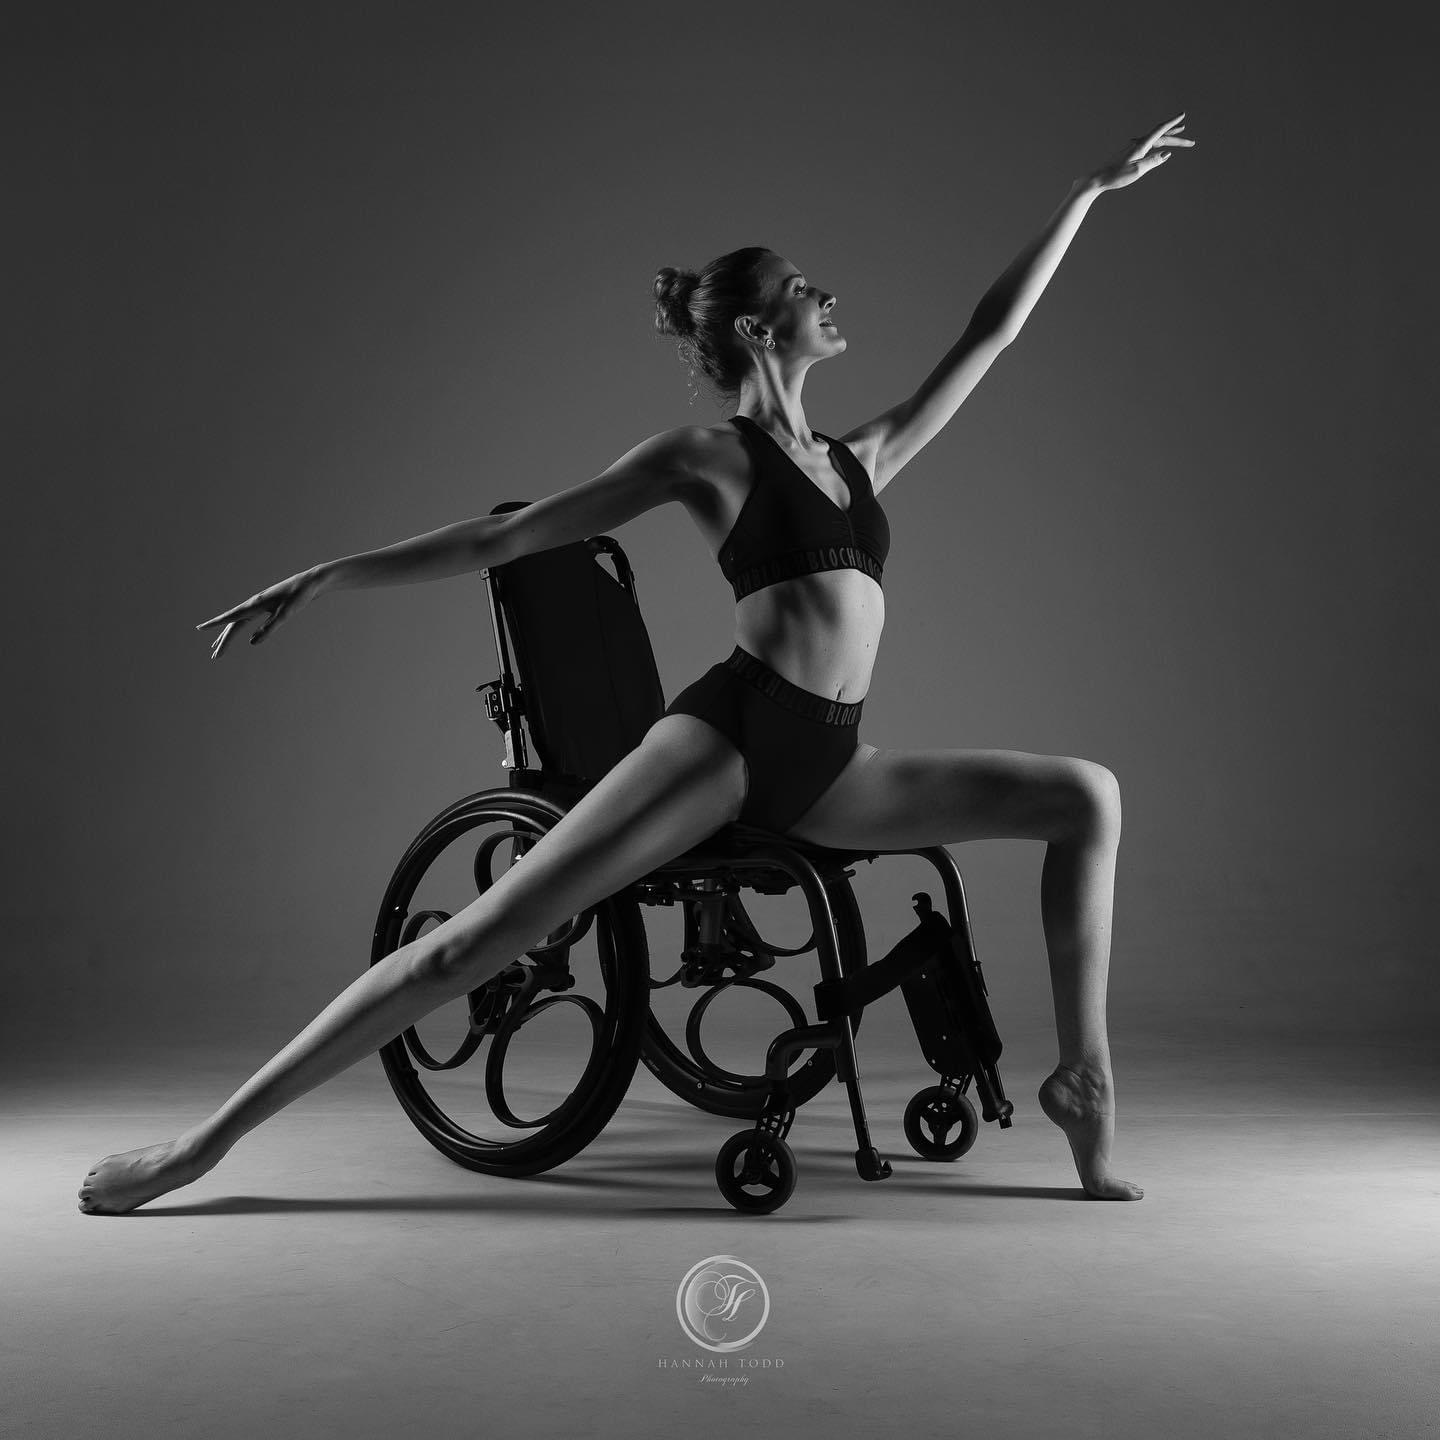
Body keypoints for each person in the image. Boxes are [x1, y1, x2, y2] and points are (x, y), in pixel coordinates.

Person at [79, 114, 1193, 1214]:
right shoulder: (706, 458)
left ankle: (1082, 1074)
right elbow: (500, 539)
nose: (828, 298)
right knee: (464, 949)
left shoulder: (860, 459)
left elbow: (987, 338)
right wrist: (325, 573)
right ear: (760, 330)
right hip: (730, 744)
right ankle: (199, 1148)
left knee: (1085, 796)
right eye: (806, 290)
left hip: (832, 761)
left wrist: (1086, 194)